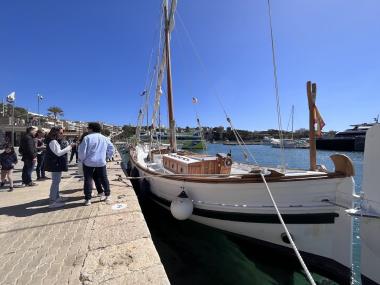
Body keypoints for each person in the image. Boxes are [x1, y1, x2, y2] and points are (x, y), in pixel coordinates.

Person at [78, 122, 114, 206]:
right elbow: (111, 148)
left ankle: (88, 199)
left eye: (88, 128)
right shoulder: (105, 138)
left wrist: (82, 160)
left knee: (88, 180)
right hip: (101, 162)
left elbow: (82, 151)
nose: (87, 129)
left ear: (91, 129)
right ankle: (107, 195)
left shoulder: (87, 138)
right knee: (104, 179)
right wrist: (108, 157)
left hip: (88, 163)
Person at [44, 126, 74, 208]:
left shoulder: (53, 140)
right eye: (60, 132)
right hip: (55, 164)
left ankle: (56, 197)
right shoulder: (53, 141)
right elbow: (59, 153)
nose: (62, 134)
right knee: (55, 182)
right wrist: (69, 147)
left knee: (56, 181)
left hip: (55, 164)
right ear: (55, 132)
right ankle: (53, 201)